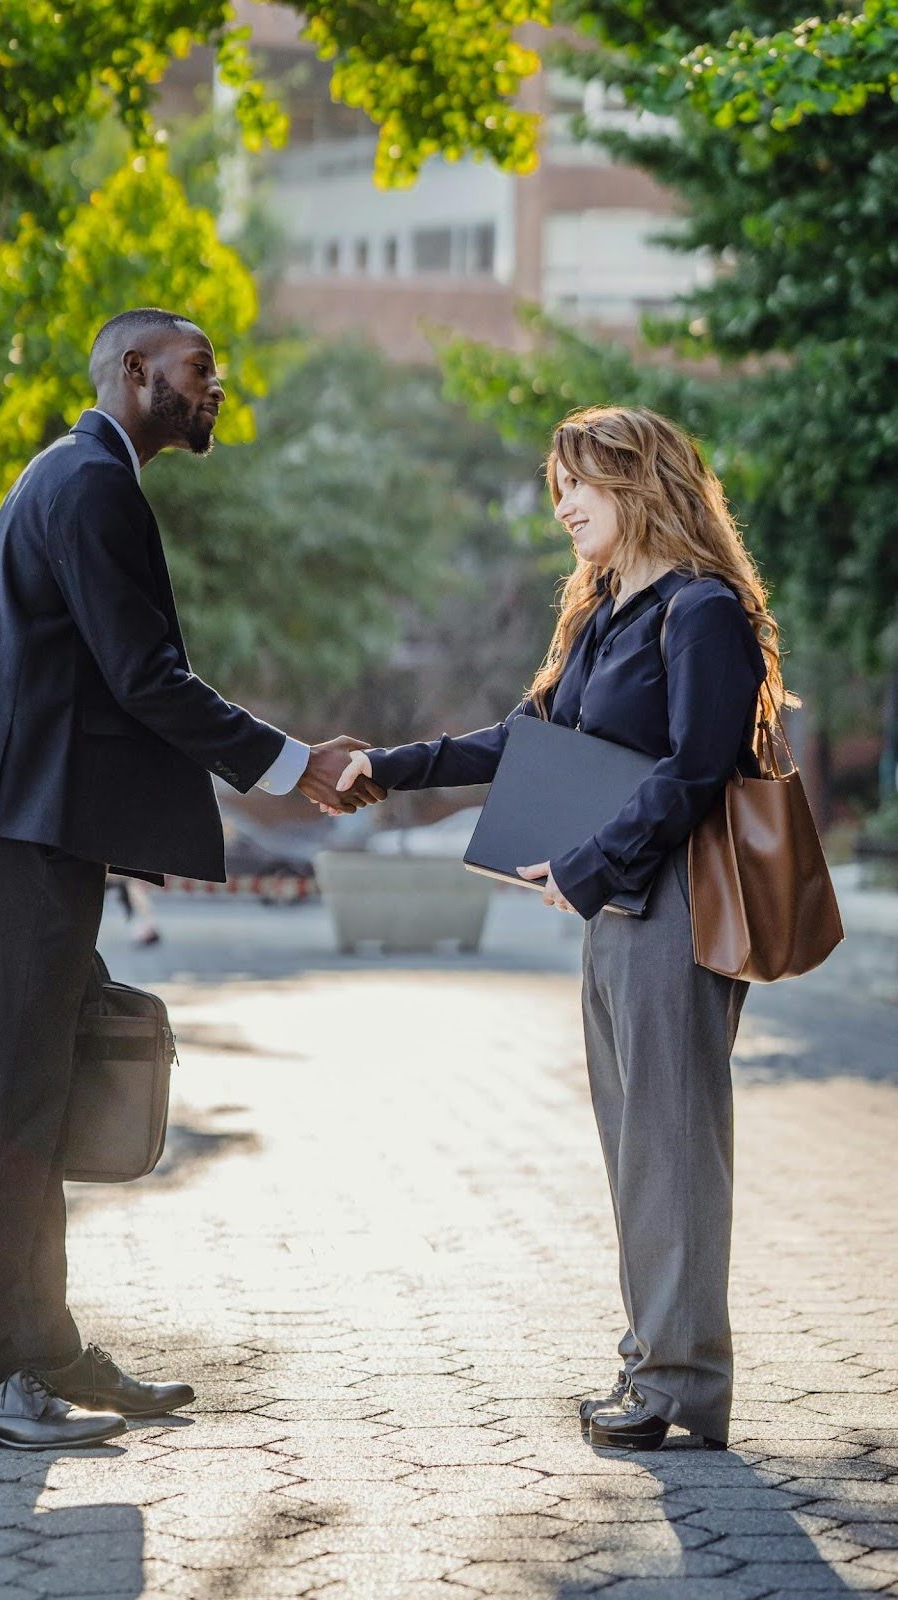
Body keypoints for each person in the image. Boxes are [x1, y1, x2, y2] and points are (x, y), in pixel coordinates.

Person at [0, 307, 384, 1451]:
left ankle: (43, 1347)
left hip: (29, 820)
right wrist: (290, 764)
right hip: (21, 822)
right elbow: (145, 676)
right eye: (197, 368)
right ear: (134, 372)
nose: (214, 387)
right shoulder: (90, 483)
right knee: (10, 1094)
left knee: (37, 1089)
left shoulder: (80, 473)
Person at [334, 406, 785, 1453]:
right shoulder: (602, 610)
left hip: (671, 903)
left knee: (672, 1147)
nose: (561, 503)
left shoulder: (699, 609)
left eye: (578, 481)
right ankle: (655, 1362)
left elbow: (694, 769)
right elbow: (520, 737)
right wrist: (385, 767)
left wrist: (587, 866)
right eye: (555, 484)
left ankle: (681, 1381)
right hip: (617, 904)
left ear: (640, 482)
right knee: (635, 1146)